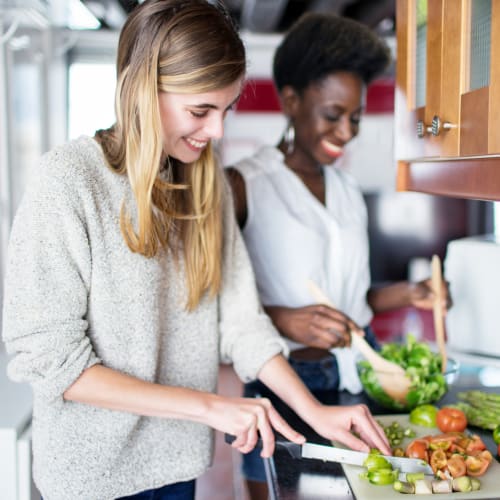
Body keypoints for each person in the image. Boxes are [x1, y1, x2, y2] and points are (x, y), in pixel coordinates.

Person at [1, 2, 391, 500]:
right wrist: (209, 407)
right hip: (91, 476)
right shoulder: (69, 181)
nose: (217, 132)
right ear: (143, 89)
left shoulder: (206, 187)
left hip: (177, 464)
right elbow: (54, 361)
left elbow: (241, 321)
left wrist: (314, 411)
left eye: (225, 110)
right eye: (200, 111)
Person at [226, 12, 451, 499]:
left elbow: (353, 297)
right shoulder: (244, 185)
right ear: (290, 100)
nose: (347, 132)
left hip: (354, 375)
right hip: (284, 386)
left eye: (355, 117)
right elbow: (211, 307)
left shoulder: (347, 190)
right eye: (333, 114)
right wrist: (283, 318)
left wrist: (413, 293)